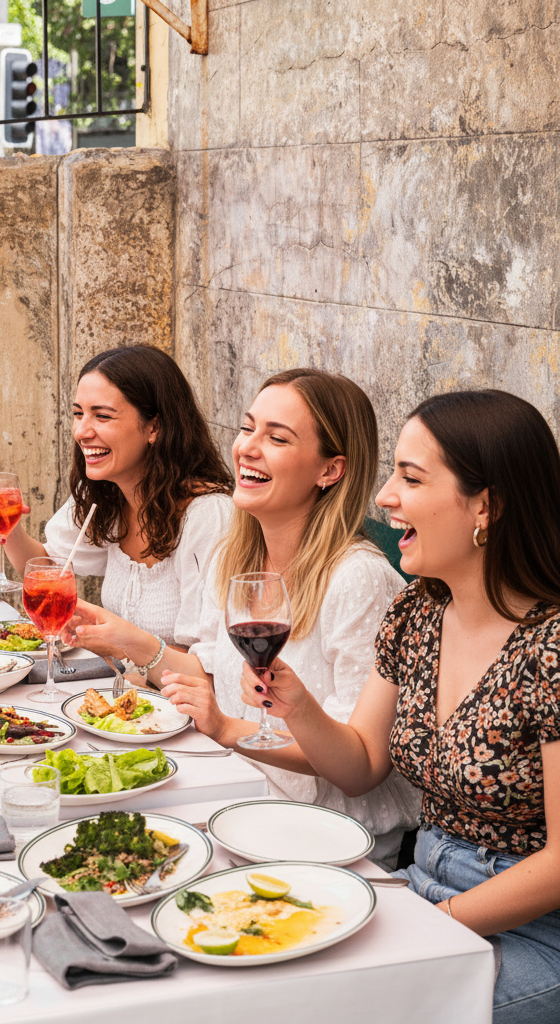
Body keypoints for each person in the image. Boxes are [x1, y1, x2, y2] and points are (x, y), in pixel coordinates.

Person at [230, 389, 560, 1022]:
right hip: (423, 881)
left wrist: (433, 923)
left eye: (410, 478)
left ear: (484, 506)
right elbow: (360, 764)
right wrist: (296, 704)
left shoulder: (550, 647)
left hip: (531, 925)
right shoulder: (419, 610)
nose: (383, 497)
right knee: (263, 969)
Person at [68, 368, 420, 866]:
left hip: (328, 839)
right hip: (238, 798)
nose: (247, 448)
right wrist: (121, 641)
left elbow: (356, 767)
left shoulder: (358, 580)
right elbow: (211, 675)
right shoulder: (238, 558)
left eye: (276, 438)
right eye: (247, 428)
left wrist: (227, 728)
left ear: (330, 470)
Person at [0, 344, 235, 654]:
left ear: (155, 427)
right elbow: (52, 568)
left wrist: (115, 645)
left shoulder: (208, 516)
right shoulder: (106, 494)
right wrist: (9, 529)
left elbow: (213, 664)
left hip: (172, 700)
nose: (81, 431)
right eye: (78, 414)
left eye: (103, 416)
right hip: (121, 692)